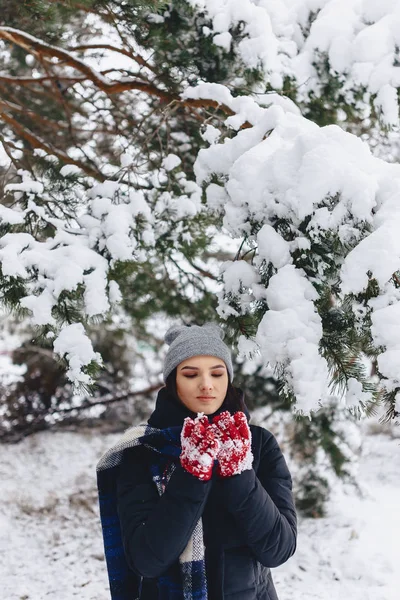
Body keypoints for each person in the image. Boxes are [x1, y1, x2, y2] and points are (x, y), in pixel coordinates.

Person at [96, 322, 297, 600]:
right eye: (190, 374)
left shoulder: (259, 444)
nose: (207, 385)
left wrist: (239, 473)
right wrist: (191, 475)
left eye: (217, 373)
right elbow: (146, 560)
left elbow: (279, 549)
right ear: (173, 381)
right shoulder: (144, 451)